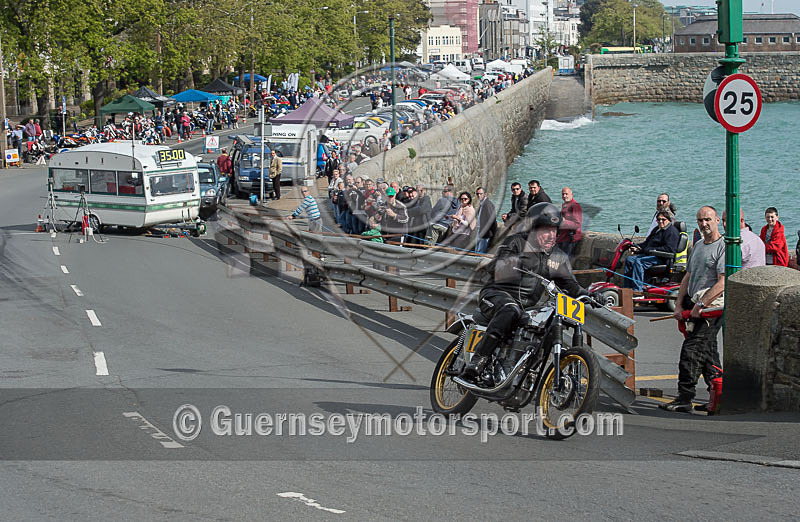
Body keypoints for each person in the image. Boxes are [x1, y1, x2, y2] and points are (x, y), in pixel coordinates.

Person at [462, 203, 597, 379]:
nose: (551, 235)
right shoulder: (516, 242)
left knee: (547, 324)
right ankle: (478, 360)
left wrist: (590, 295)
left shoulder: (558, 257)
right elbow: (496, 266)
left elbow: (571, 285)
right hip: (496, 295)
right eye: (546, 230)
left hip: (527, 306)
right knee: (510, 310)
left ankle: (526, 370)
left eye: (555, 230)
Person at [661, 206, 725, 412]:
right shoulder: (697, 245)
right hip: (694, 305)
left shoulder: (724, 247)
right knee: (708, 353)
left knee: (691, 352)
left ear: (717, 220)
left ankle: (685, 398)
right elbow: (687, 277)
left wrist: (701, 305)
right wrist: (679, 304)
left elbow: (723, 282)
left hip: (710, 309)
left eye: (707, 219)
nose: (704, 224)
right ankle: (718, 396)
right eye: (700, 220)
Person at [623, 210, 680, 291]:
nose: (660, 221)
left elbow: (670, 249)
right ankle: (627, 289)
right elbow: (646, 243)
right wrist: (637, 248)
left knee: (639, 262)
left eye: (663, 219)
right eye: (658, 219)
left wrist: (651, 250)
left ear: (669, 220)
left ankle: (637, 290)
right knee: (629, 260)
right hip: (651, 255)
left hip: (662, 258)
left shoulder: (672, 232)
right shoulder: (657, 229)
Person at [556, 187, 582, 258]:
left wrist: (564, 221)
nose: (564, 196)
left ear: (571, 194)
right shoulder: (565, 205)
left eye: (566, 194)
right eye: (563, 194)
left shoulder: (575, 206)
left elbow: (577, 224)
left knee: (565, 261)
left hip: (570, 239)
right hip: (562, 237)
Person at [475, 187, 498, 254]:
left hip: (485, 233)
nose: (479, 195)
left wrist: (491, 233)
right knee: (477, 251)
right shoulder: (483, 204)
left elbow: (492, 220)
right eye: (477, 194)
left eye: (481, 194)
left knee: (480, 252)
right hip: (481, 230)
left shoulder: (487, 205)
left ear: (485, 194)